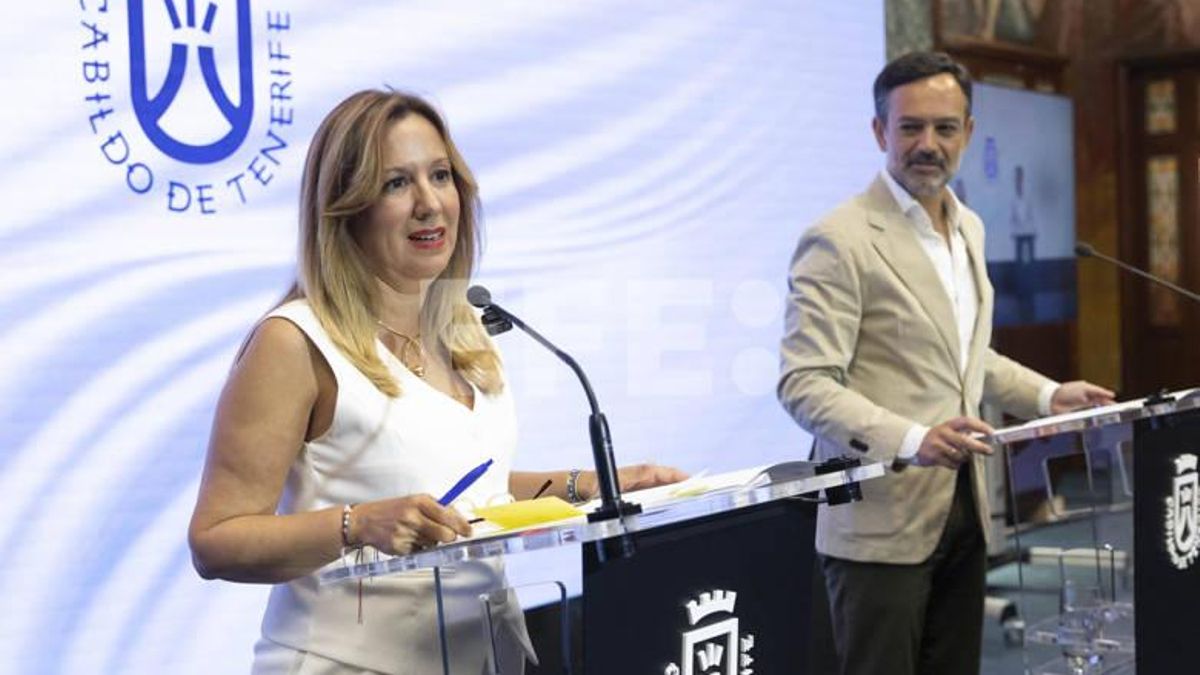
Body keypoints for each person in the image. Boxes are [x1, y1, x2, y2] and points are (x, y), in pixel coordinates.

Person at [187, 89, 686, 675]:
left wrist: (592, 485)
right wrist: (356, 523)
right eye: (397, 184)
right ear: (345, 208)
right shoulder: (294, 341)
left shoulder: (466, 322)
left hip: (481, 656)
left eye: (441, 176)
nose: (430, 203)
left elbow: (464, 494)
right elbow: (215, 540)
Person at [776, 52, 1114, 675]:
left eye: (945, 128)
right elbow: (805, 382)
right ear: (880, 132)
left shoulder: (970, 228)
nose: (927, 144)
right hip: (878, 522)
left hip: (964, 511)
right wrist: (912, 439)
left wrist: (1047, 396)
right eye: (910, 128)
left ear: (968, 132)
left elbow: (964, 357)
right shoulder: (841, 238)